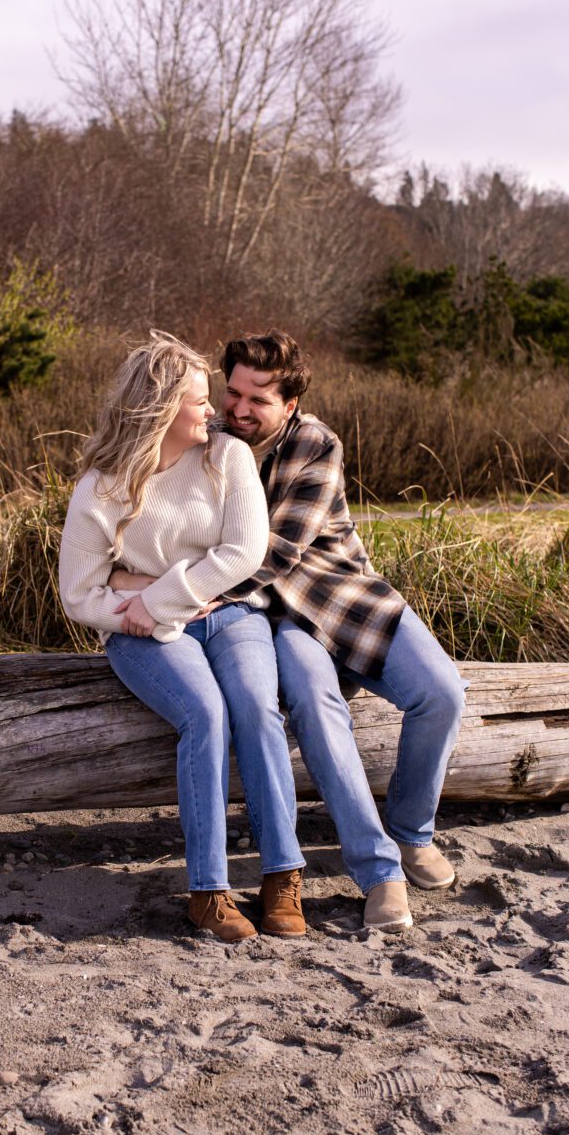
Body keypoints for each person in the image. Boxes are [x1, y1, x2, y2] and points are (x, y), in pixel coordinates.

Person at [113, 329, 467, 933]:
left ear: (291, 404)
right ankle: (380, 872)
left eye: (259, 399)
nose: (239, 409)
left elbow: (272, 552)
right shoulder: (206, 437)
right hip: (273, 614)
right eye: (233, 393)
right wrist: (132, 578)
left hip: (340, 595)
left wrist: (176, 591)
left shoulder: (315, 444)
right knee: (315, 706)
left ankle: (412, 832)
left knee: (443, 693)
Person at [59, 331, 306, 943]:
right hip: (140, 633)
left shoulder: (228, 457)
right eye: (199, 400)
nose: (214, 411)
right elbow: (79, 595)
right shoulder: (102, 486)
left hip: (227, 616)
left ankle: (282, 875)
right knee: (205, 714)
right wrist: (141, 611)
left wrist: (152, 592)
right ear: (161, 409)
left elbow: (243, 552)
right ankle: (208, 891)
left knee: (257, 708)